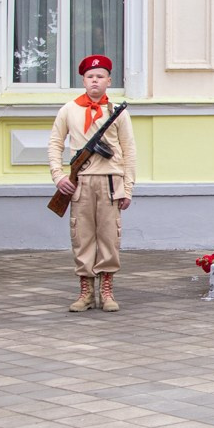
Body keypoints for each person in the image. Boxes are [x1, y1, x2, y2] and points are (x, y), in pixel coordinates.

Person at [50, 54, 135, 312]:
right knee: (82, 236)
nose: (95, 81)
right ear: (83, 80)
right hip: (81, 184)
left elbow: (128, 150)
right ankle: (85, 291)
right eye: (90, 77)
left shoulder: (117, 113)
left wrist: (128, 187)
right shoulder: (69, 110)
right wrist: (59, 176)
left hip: (111, 182)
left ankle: (106, 290)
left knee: (109, 237)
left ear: (108, 80)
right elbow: (55, 143)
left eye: (100, 77)